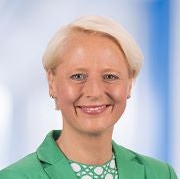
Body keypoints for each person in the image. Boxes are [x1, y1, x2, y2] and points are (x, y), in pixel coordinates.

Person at [0, 15, 177, 179]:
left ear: (130, 83)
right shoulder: (16, 176)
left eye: (110, 76)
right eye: (78, 76)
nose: (94, 92)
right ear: (52, 82)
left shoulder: (161, 174)